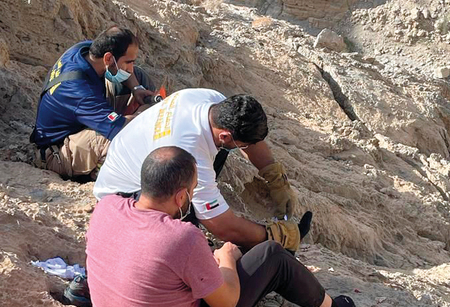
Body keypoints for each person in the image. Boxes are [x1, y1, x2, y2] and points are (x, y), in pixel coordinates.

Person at [85, 146, 355, 307]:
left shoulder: (107, 207)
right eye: (192, 190)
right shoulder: (182, 237)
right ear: (181, 197)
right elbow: (226, 305)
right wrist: (227, 258)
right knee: (272, 254)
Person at [92, 88, 300, 252]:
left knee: (221, 152)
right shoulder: (188, 151)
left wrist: (276, 178)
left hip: (138, 158)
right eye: (242, 145)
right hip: (123, 198)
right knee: (186, 229)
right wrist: (274, 235)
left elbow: (249, 139)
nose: (245, 148)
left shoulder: (212, 101)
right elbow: (222, 226)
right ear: (225, 136)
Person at [30, 26, 158, 181]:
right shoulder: (80, 91)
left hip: (78, 124)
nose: (130, 68)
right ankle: (99, 176)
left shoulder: (84, 50)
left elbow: (127, 73)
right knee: (118, 138)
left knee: (138, 76)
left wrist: (137, 88)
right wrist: (145, 112)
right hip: (57, 151)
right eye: (128, 62)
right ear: (108, 58)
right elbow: (122, 129)